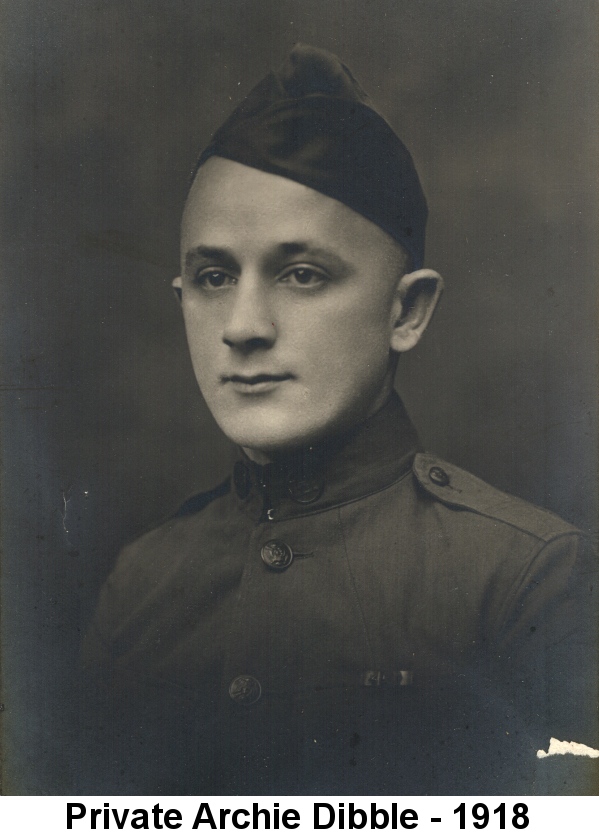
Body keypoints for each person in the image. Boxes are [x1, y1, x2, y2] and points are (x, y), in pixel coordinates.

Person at [78, 44, 597, 795]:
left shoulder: (526, 579)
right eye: (214, 277)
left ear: (407, 311)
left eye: (302, 275)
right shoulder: (142, 583)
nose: (243, 326)